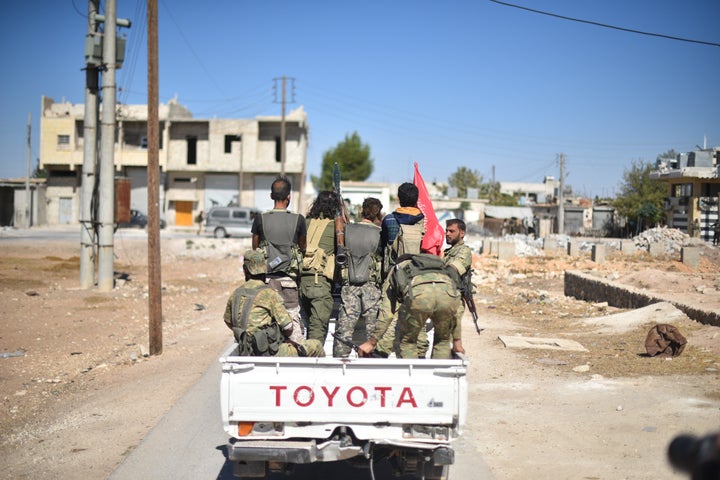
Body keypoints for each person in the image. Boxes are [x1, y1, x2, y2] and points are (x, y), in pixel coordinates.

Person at [358, 253, 462, 359]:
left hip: (419, 296)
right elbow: (457, 308)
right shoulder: (440, 269)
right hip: (447, 295)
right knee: (442, 341)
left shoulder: (398, 270)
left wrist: (371, 342)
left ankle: (413, 373)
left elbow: (387, 313)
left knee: (409, 342)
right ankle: (439, 373)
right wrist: (457, 340)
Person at [223, 249, 324, 357]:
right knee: (316, 345)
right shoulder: (269, 294)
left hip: (245, 349)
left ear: (245, 270)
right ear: (264, 269)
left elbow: (228, 321)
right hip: (269, 352)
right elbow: (289, 328)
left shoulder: (235, 294)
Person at [251, 176, 307, 343]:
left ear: (271, 196)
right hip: (289, 281)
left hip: (266, 281)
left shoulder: (260, 218)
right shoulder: (298, 219)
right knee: (292, 322)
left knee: (266, 321)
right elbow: (303, 247)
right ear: (288, 196)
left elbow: (254, 249)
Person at [375, 182, 425, 357]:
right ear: (417, 199)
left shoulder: (390, 220)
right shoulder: (423, 221)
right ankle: (419, 354)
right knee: (417, 315)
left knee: (387, 315)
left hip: (395, 274)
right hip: (419, 276)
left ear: (398, 198)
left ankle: (379, 351)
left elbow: (382, 248)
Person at [332, 197, 384, 358]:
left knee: (344, 329)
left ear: (362, 211)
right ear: (378, 214)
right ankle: (373, 361)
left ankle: (339, 361)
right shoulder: (380, 233)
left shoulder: (346, 230)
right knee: (373, 329)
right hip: (371, 286)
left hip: (349, 285)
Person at [300, 190, 341, 344]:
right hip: (320, 283)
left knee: (309, 324)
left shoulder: (306, 222)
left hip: (302, 283)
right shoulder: (335, 227)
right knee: (318, 329)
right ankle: (312, 362)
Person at [442, 219, 473, 355]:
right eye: (446, 230)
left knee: (449, 341)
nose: (447, 234)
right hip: (445, 297)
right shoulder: (449, 251)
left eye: (451, 231)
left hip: (455, 299)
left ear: (462, 233)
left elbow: (453, 270)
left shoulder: (464, 251)